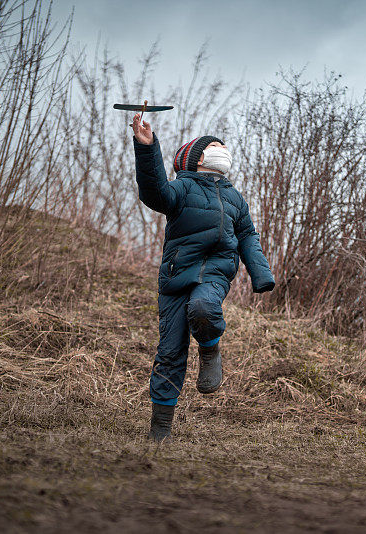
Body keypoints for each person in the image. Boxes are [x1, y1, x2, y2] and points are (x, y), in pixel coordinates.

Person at [130, 113, 275, 442]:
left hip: (215, 272)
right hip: (175, 278)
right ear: (196, 157)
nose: (222, 148)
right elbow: (154, 192)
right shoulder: (181, 189)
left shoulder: (235, 198)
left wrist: (260, 273)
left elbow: (248, 237)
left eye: (223, 145)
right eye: (214, 145)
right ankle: (160, 430)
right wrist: (147, 147)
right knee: (169, 353)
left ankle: (209, 349)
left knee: (204, 308)